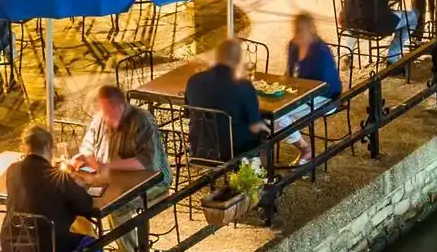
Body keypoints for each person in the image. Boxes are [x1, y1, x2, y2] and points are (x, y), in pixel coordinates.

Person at [0, 125, 102, 252]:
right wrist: (77, 184)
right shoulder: (55, 176)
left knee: (44, 233)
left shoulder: (12, 170)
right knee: (93, 246)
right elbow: (85, 205)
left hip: (11, 250)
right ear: (49, 147)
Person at [182, 36, 269, 165]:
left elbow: (188, 113)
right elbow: (254, 125)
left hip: (199, 148)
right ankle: (259, 179)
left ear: (216, 56)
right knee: (266, 135)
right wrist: (265, 126)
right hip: (232, 152)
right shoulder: (243, 86)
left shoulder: (194, 80)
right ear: (238, 59)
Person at [75, 83, 170, 196]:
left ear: (122, 106)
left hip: (151, 183)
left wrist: (108, 165)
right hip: (110, 180)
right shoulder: (100, 118)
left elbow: (146, 163)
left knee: (115, 204)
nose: (106, 117)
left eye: (110, 112)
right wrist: (86, 159)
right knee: (80, 197)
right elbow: (87, 147)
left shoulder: (142, 120)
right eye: (104, 110)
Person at [284, 10, 344, 111]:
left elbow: (324, 84)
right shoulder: (293, 46)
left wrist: (297, 92)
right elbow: (289, 74)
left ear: (311, 30)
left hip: (327, 95)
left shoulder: (320, 50)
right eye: (297, 30)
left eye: (302, 30)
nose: (299, 34)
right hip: (304, 92)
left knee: (287, 115)